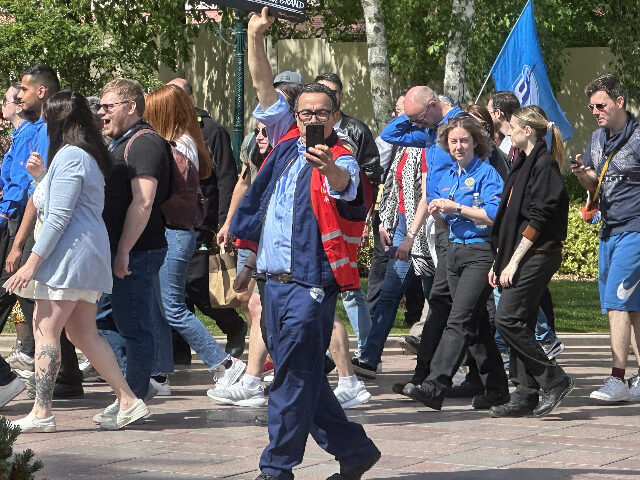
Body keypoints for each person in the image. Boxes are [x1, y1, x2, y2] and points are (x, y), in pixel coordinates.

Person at [231, 8, 380, 480]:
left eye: (321, 112)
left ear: (336, 116)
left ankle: (276, 469)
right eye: (305, 112)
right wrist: (256, 36)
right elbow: (261, 86)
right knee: (305, 378)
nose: (312, 118)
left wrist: (328, 169)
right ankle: (354, 451)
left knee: (292, 378)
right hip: (272, 284)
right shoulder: (283, 143)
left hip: (310, 283)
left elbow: (346, 185)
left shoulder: (342, 157)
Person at [6, 90, 148, 432]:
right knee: (84, 333)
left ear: (56, 120)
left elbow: (57, 218)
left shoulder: (71, 156)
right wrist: (41, 177)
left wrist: (31, 263)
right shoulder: (86, 155)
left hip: (68, 257)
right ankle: (128, 401)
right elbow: (57, 202)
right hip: (85, 255)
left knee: (45, 329)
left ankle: (42, 412)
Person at [398, 114, 509, 411]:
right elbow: (447, 219)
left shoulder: (486, 174)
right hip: (455, 251)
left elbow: (494, 215)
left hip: (480, 252)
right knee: (475, 324)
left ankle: (435, 385)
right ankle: (497, 389)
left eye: (463, 141)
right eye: (453, 142)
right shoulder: (449, 176)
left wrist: (457, 207)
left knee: (458, 319)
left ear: (475, 142)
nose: (458, 146)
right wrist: (439, 212)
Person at [144, 83, 247, 395]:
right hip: (176, 233)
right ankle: (159, 373)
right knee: (162, 306)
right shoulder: (185, 141)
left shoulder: (178, 146)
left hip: (175, 233)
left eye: (152, 111)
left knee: (173, 306)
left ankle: (224, 364)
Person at [488, 105, 573, 418]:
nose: (508, 128)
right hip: (519, 254)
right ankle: (525, 395)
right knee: (518, 321)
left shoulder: (544, 164)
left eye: (512, 124)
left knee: (507, 318)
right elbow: (509, 220)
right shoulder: (521, 162)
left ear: (527, 131)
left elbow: (538, 218)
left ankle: (554, 379)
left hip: (538, 254)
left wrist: (513, 262)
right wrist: (499, 263)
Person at [378, 86, 462, 387]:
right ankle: (430, 376)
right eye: (413, 119)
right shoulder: (431, 131)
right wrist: (413, 117)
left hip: (459, 227)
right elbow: (390, 134)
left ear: (434, 104)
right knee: (443, 302)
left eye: (419, 117)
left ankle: (441, 375)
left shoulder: (459, 127)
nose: (416, 124)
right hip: (440, 226)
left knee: (456, 306)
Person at [95, 77, 171, 411]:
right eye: (100, 106)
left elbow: (143, 203)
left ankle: (134, 395)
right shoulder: (118, 142)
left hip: (137, 252)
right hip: (116, 250)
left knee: (133, 326)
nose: (101, 112)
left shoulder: (144, 143)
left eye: (108, 106)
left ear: (131, 107)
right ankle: (129, 387)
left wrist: (124, 250)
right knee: (102, 321)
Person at [14, 64, 85, 399]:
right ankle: (67, 378)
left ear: (43, 93)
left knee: (44, 312)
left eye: (24, 89)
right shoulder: (43, 132)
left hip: (44, 231)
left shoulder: (55, 138)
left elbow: (42, 197)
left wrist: (20, 246)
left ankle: (58, 384)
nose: (18, 95)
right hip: (41, 229)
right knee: (72, 324)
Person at [167, 77, 247, 360]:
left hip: (203, 221)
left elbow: (226, 178)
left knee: (198, 283)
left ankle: (233, 325)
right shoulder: (166, 132)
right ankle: (178, 352)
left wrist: (224, 222)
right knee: (177, 289)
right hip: (177, 221)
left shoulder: (210, 130)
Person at [572, 74, 640, 402]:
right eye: (591, 107)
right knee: (632, 306)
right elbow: (594, 186)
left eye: (601, 105)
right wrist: (585, 177)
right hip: (609, 229)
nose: (595, 111)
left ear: (620, 102)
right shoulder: (597, 140)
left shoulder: (638, 137)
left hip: (635, 229)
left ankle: (617, 379)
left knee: (617, 302)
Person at [487, 91, 521, 162]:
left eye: (488, 112)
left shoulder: (522, 141)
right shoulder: (497, 140)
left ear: (498, 113)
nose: (487, 117)